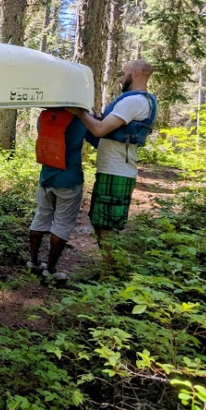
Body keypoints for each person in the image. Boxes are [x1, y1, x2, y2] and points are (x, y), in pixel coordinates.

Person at [72, 60, 157, 273]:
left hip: (117, 170)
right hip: (115, 167)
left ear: (136, 73)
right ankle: (109, 271)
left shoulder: (134, 101)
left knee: (105, 224)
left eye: (124, 73)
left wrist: (79, 112)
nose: (121, 78)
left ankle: (110, 274)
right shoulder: (139, 101)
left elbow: (100, 130)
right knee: (102, 221)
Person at [29, 108, 88, 282]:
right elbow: (97, 135)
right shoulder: (79, 119)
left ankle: (33, 262)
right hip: (69, 179)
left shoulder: (45, 116)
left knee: (41, 217)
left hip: (46, 176)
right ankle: (51, 269)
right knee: (62, 224)